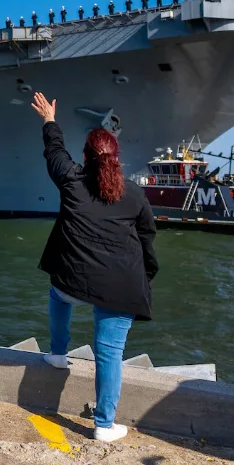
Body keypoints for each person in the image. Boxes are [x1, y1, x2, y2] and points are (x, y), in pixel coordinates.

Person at [30, 92, 158, 443]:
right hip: (120, 286)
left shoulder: (72, 180)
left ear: (85, 156)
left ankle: (58, 354)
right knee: (109, 353)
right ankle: (104, 424)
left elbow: (55, 152)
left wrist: (49, 120)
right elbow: (147, 236)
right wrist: (147, 274)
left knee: (58, 296)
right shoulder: (134, 194)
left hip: (74, 279)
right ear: (117, 158)